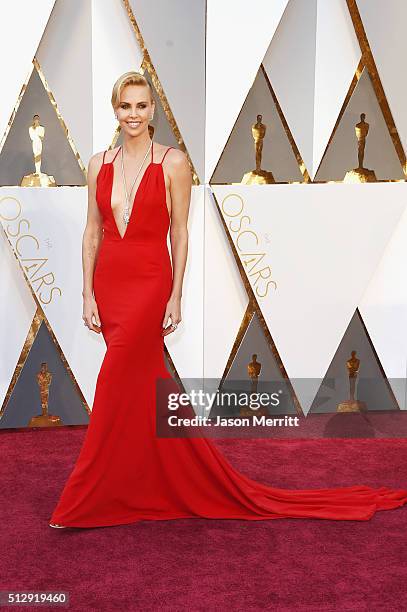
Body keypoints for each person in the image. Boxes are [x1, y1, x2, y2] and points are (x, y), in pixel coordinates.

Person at [49, 72, 407, 528]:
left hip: (149, 281)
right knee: (143, 390)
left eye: (141, 106)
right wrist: (86, 292)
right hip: (110, 283)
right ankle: (144, 483)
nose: (133, 115)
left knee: (116, 380)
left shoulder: (174, 162)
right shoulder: (99, 163)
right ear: (114, 110)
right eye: (125, 107)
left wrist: (175, 293)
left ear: (153, 111)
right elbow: (92, 229)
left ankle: (84, 499)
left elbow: (179, 231)